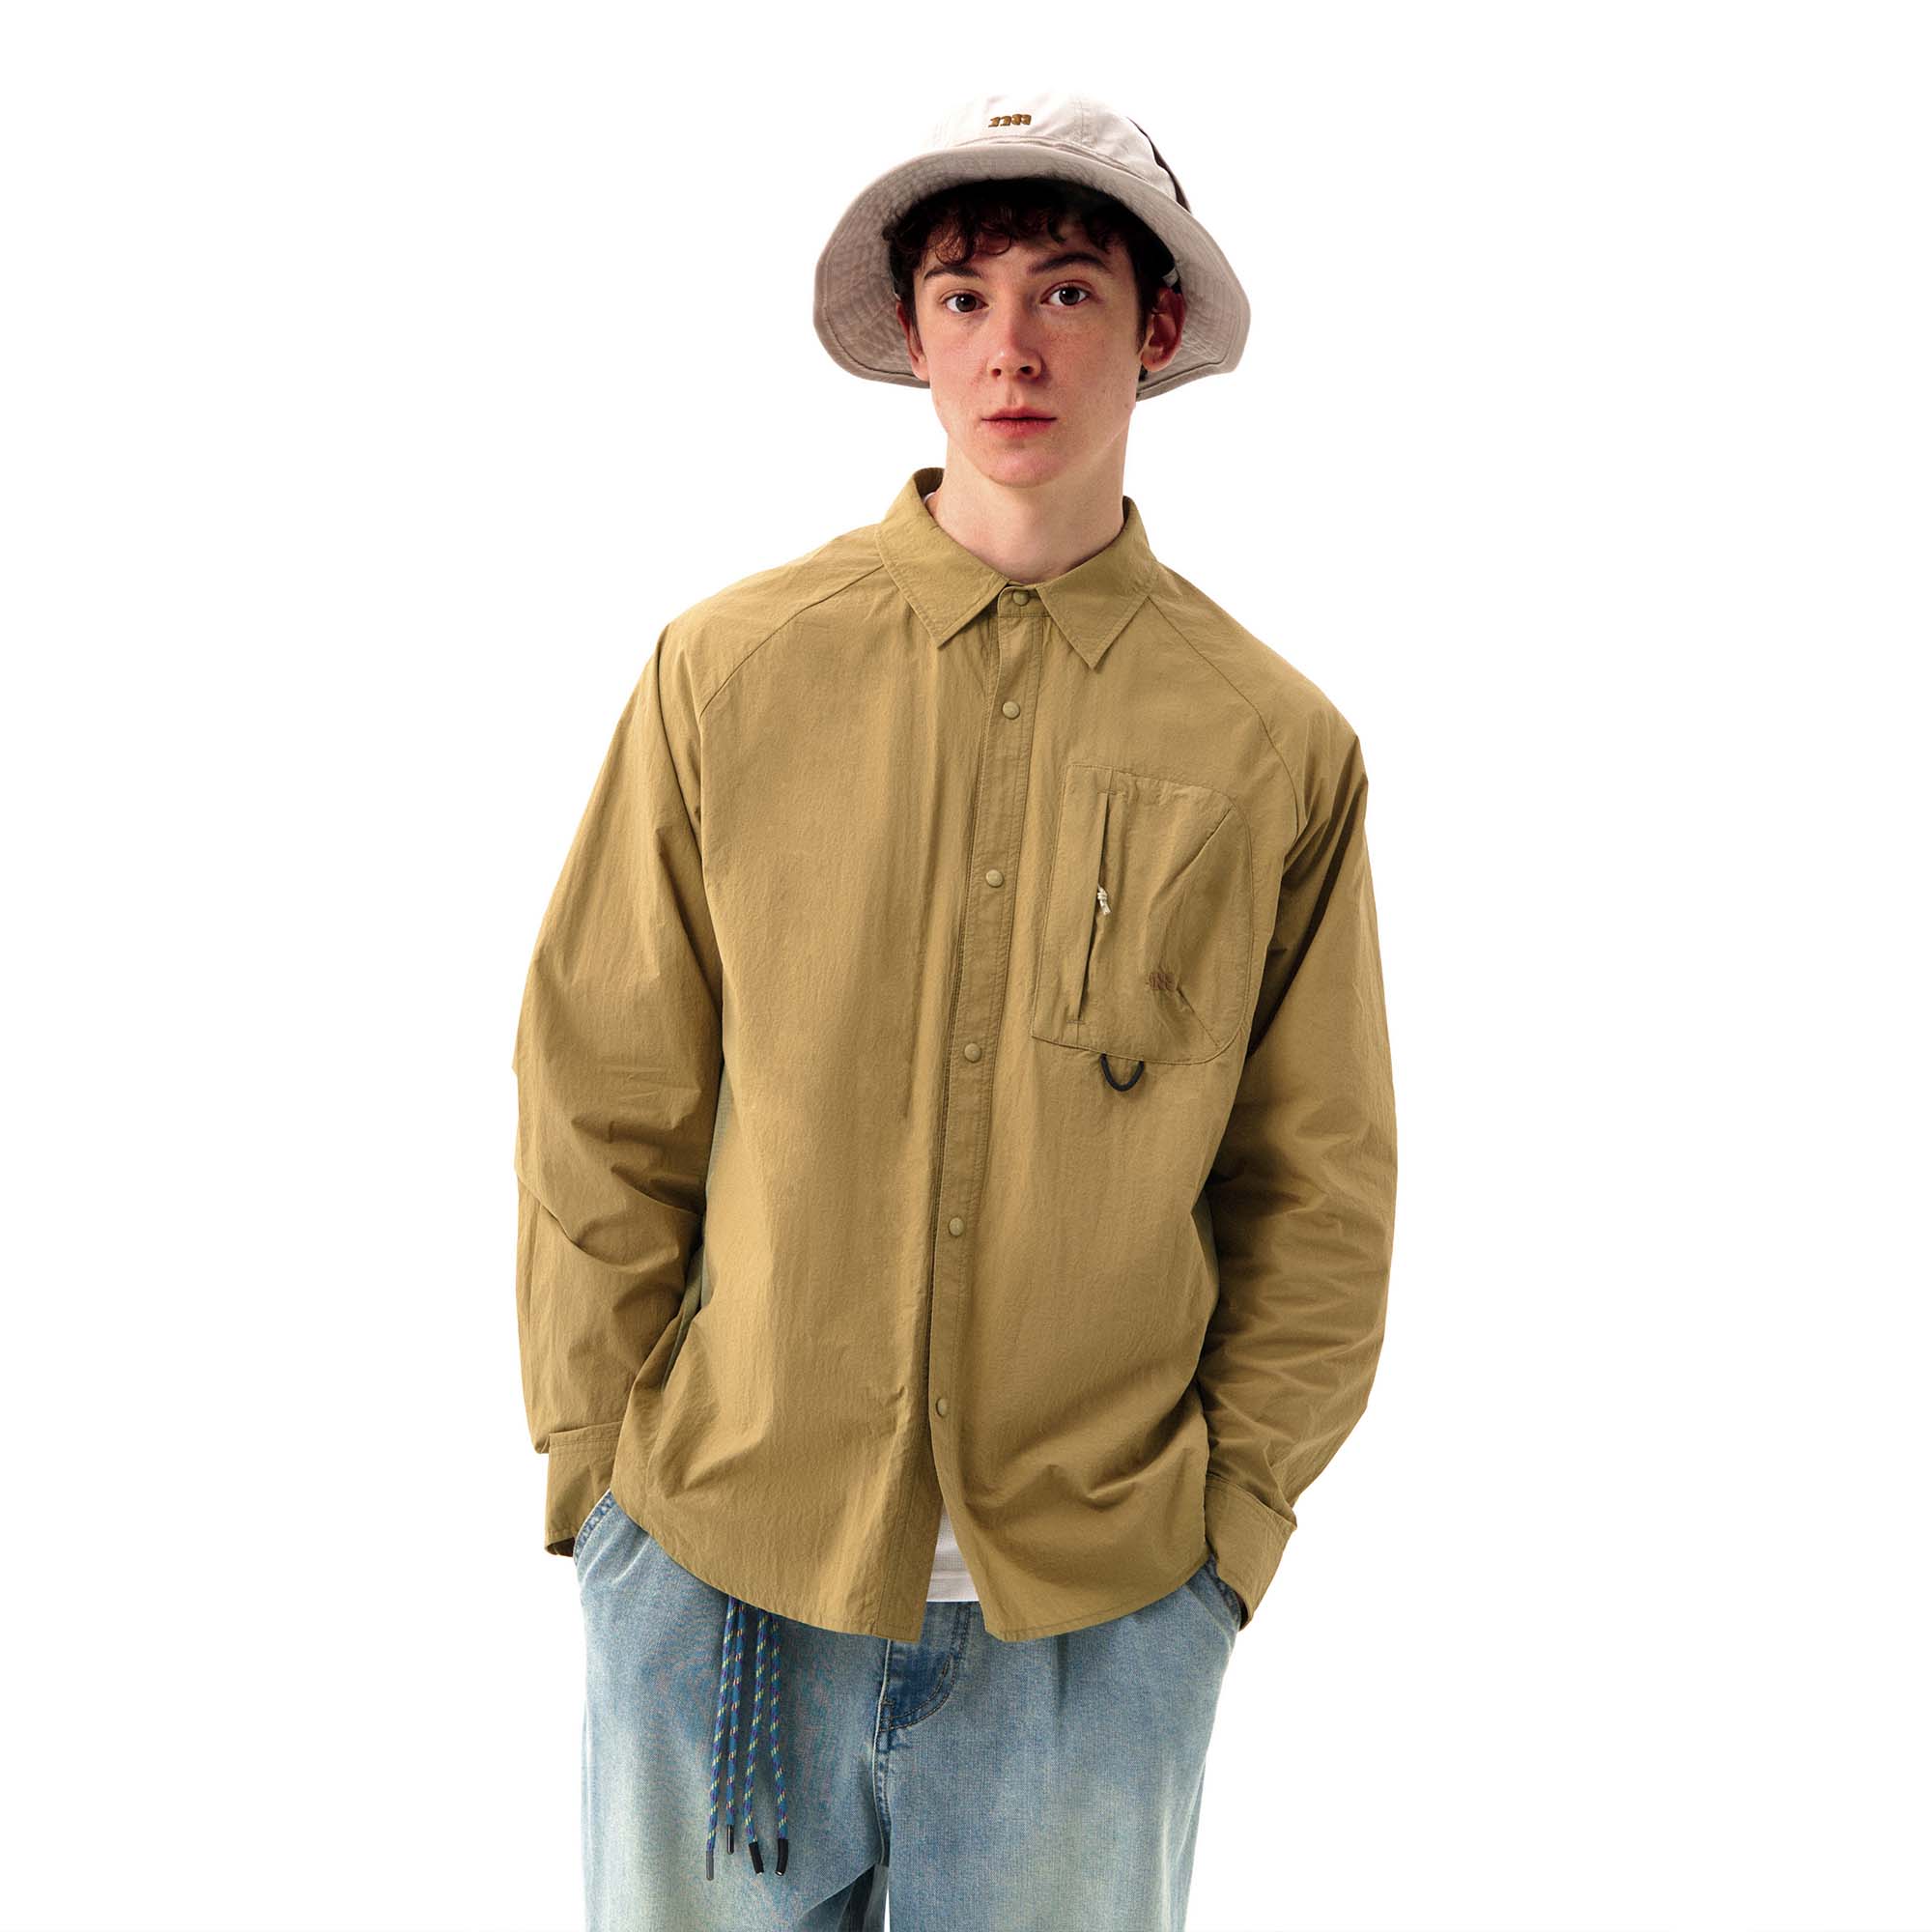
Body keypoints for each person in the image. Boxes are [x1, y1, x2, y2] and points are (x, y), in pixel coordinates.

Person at [511, 89, 1399, 1932]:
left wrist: (1224, 1546)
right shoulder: (729, 673)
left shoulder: (1271, 743)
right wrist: (602, 1494)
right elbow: (602, 1093)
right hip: (719, 1583)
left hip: (1094, 1628)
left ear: (1155, 329)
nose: (1014, 349)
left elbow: (1318, 1186)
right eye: (965, 296)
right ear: (914, 340)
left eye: (1068, 291)